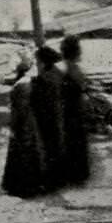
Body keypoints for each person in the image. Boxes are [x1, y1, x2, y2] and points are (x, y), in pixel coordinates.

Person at [2, 56, 46, 198]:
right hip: (33, 122)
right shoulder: (32, 83)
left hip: (23, 123)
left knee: (21, 154)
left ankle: (22, 187)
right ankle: (37, 184)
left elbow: (17, 111)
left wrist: (13, 127)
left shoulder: (18, 87)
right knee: (35, 152)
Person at [30, 45, 67, 192]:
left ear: (44, 63)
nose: (36, 66)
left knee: (48, 149)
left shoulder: (45, 79)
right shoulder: (56, 73)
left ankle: (51, 182)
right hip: (57, 117)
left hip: (48, 118)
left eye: (37, 62)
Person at [60, 34, 91, 186]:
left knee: (70, 140)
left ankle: (71, 173)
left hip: (69, 109)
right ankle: (77, 174)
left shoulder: (66, 70)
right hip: (75, 109)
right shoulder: (76, 70)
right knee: (76, 141)